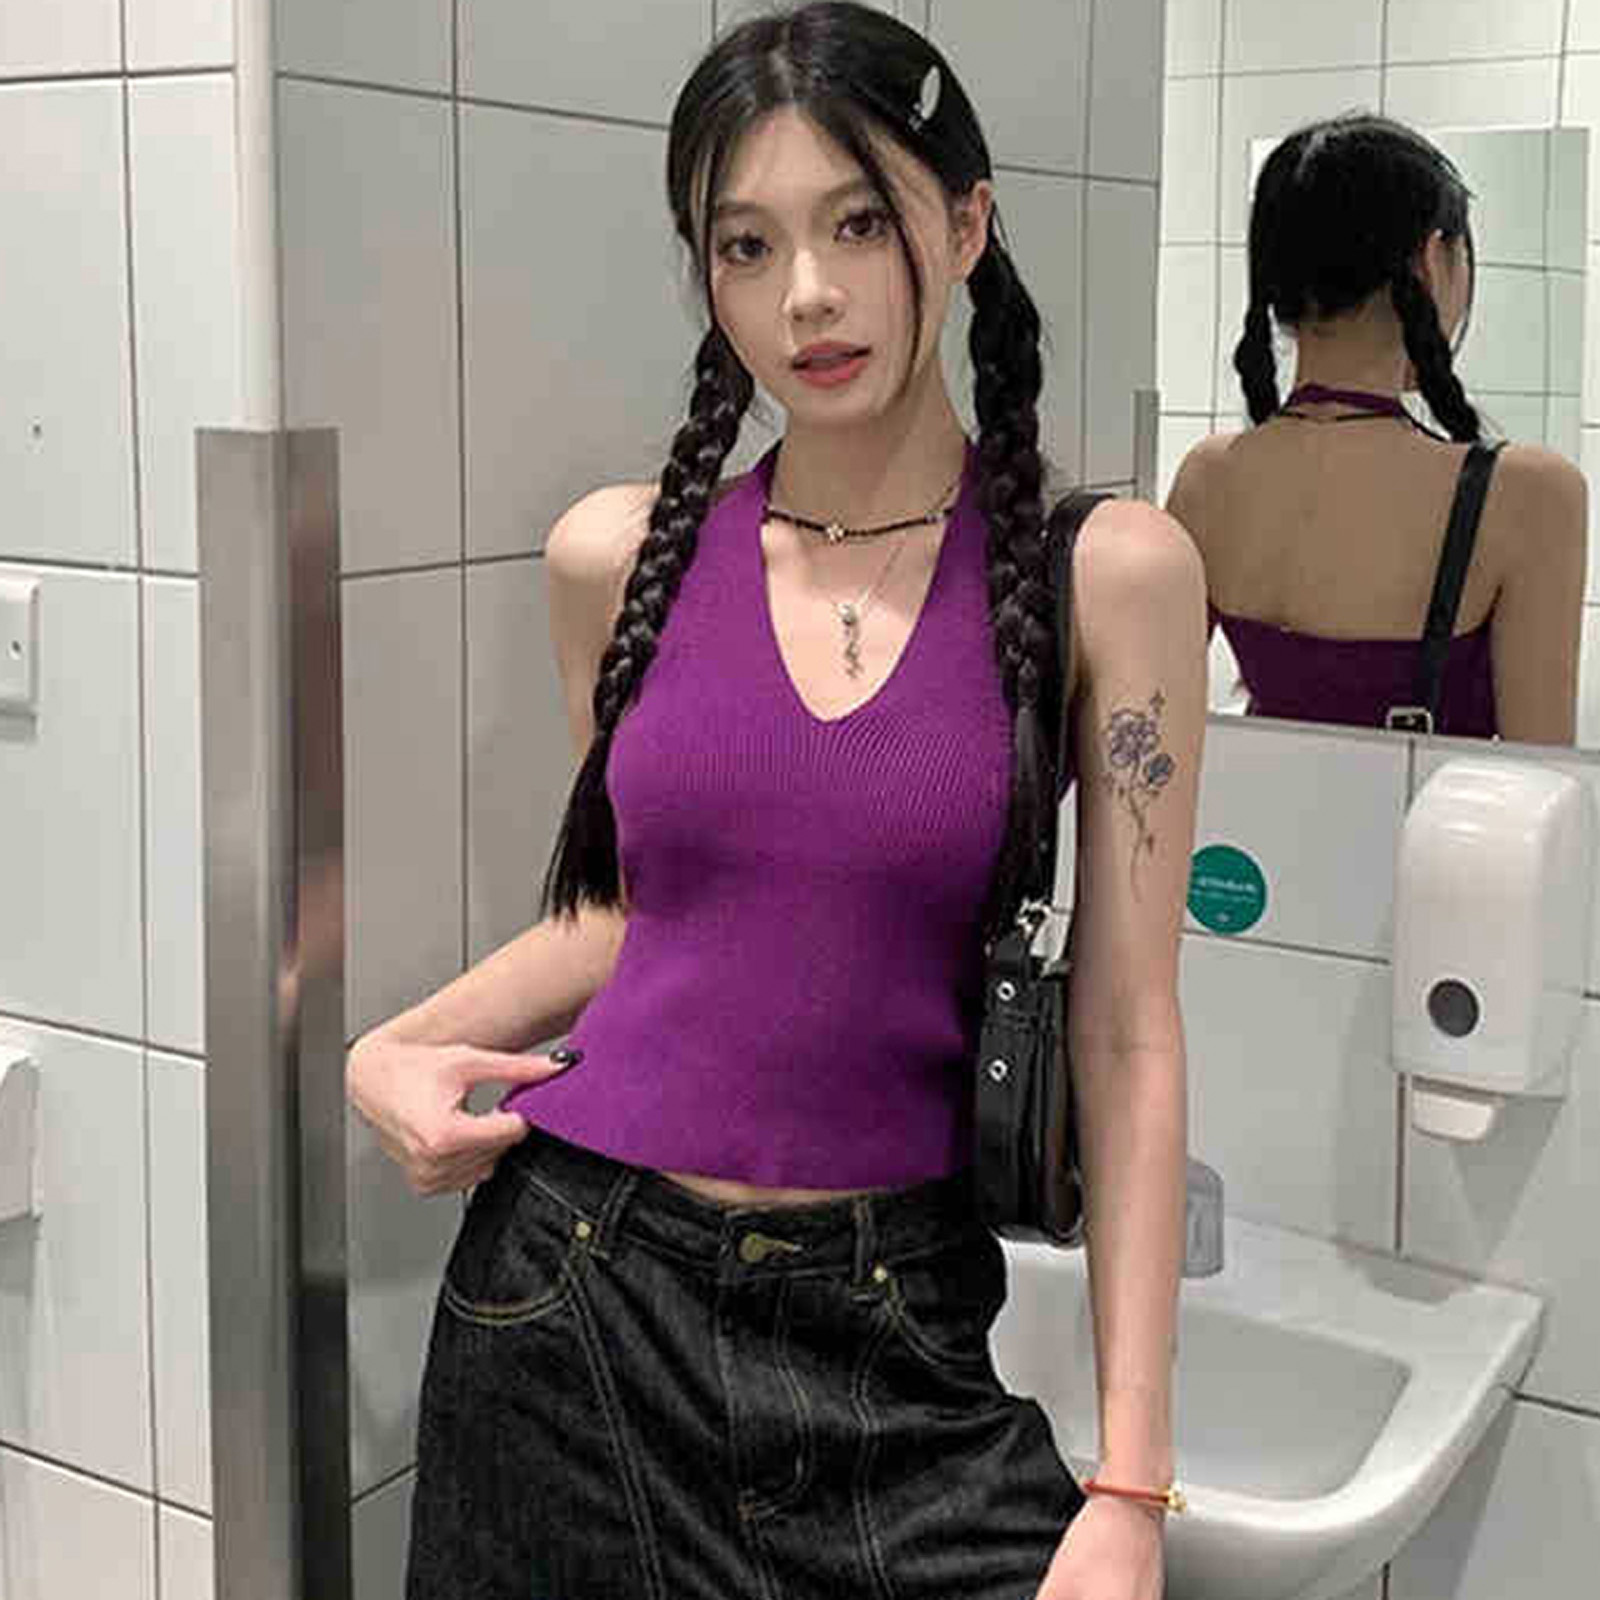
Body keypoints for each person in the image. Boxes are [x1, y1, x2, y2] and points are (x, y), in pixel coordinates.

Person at [346, 5, 1205, 1597]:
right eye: (747, 245)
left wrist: (1132, 1483)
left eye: (859, 223)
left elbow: (1128, 1027)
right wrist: (389, 1045)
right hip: (571, 1311)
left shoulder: (1108, 573)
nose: (805, 292)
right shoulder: (618, 559)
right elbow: (638, 913)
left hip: (892, 1347)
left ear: (966, 223)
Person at [1169, 112, 1586, 743]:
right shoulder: (1528, 494)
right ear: (1430, 259)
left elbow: (1158, 729)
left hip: (1256, 811)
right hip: (1435, 813)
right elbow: (1542, 771)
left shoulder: (1208, 478)